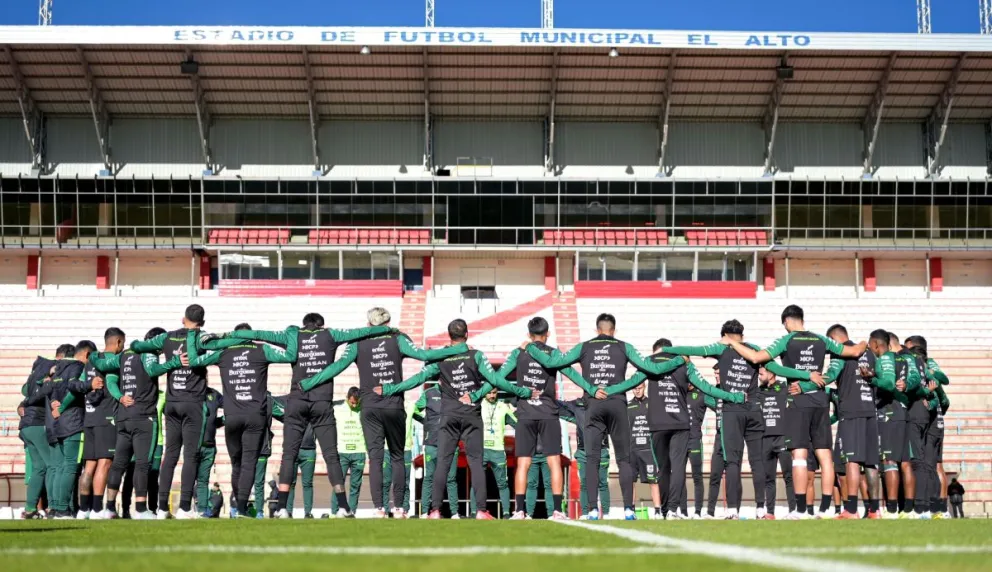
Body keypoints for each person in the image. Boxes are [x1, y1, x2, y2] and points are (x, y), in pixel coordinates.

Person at [299, 307, 465, 518]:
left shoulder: (357, 342)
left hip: (369, 408)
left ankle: (379, 508)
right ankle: (399, 509)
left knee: (375, 459)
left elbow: (337, 366)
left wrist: (311, 381)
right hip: (394, 406)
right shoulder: (398, 338)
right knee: (397, 457)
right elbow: (423, 355)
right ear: (387, 322)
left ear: (369, 323)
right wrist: (455, 350)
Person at [521, 313, 688, 520]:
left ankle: (592, 509)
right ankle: (628, 509)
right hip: (617, 404)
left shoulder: (584, 346)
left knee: (592, 458)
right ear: (614, 330)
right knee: (624, 459)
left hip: (594, 404)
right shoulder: (624, 346)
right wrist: (679, 360)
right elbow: (651, 368)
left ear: (596, 330)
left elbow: (555, 362)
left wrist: (530, 347)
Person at [225, 313, 390, 518]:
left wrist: (226, 335)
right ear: (321, 325)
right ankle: (343, 507)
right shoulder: (330, 334)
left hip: (297, 401)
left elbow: (260, 334)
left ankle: (283, 508)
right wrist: (387, 329)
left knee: (289, 454)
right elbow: (362, 331)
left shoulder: (293, 336)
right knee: (331, 455)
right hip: (322, 403)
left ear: (304, 324)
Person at [377, 319, 535, 520]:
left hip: (449, 416)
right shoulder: (475, 355)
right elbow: (495, 380)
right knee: (476, 463)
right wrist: (521, 391)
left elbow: (417, 379)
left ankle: (434, 510)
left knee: (442, 463)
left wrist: (391, 389)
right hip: (471, 416)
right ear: (467, 335)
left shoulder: (442, 358)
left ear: (449, 336)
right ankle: (480, 511)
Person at [723, 305, 864, 519]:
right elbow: (854, 351)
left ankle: (800, 510)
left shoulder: (786, 340)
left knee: (799, 455)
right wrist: (866, 342)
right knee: (825, 455)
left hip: (798, 400)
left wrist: (732, 341)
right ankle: (825, 509)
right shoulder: (820, 339)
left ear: (787, 322)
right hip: (820, 401)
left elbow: (756, 357)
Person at [667, 320, 816, 520]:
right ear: (742, 336)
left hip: (732, 411)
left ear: (724, 336)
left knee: (733, 462)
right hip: (754, 410)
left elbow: (692, 349)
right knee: (757, 461)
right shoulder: (754, 350)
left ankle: (733, 510)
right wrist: (806, 375)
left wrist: (667, 350)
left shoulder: (721, 348)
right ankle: (761, 509)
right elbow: (778, 369)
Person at [606, 338, 744, 519]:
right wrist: (731, 396)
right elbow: (705, 387)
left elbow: (631, 382)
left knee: (662, 469)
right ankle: (672, 510)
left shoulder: (649, 362)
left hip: (657, 424)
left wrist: (608, 391)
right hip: (680, 424)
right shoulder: (685, 362)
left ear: (656, 350)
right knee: (678, 467)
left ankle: (662, 510)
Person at [187, 322, 296, 518]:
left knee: (236, 464)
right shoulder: (262, 349)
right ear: (251, 336)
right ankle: (243, 508)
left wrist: (192, 335)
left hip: (232, 417)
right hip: (255, 416)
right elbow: (291, 354)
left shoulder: (223, 352)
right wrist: (291, 332)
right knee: (248, 464)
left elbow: (194, 361)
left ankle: (238, 506)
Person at [129, 304, 217, 518]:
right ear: (202, 322)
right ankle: (185, 508)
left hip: (172, 403)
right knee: (191, 456)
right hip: (193, 403)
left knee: (170, 455)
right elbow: (219, 346)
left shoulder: (166, 338)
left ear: (182, 318)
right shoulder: (201, 337)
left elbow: (136, 345)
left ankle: (161, 508)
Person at [87, 327, 182, 519]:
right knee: (142, 464)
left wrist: (120, 396)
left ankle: (110, 508)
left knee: (119, 464)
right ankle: (140, 509)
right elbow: (153, 369)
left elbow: (109, 376)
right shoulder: (148, 354)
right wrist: (175, 362)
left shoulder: (124, 356)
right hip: (144, 417)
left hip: (123, 417)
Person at [499, 317, 587, 521]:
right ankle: (557, 511)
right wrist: (590, 388)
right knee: (554, 462)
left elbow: (500, 377)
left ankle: (519, 511)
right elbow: (571, 374)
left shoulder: (519, 352)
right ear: (548, 334)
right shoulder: (554, 353)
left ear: (529, 334)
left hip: (525, 413)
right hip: (548, 412)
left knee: (523, 464)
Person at [794, 325, 881, 519]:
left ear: (834, 339)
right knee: (871, 463)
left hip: (851, 412)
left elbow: (830, 376)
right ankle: (875, 510)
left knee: (851, 460)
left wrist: (805, 386)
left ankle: (851, 509)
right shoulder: (870, 354)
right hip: (870, 411)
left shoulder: (841, 355)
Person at [31, 342, 101, 519]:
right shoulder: (77, 367)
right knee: (70, 467)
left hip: (59, 424)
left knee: (61, 467)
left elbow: (51, 388)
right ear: (86, 355)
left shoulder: (58, 368)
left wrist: (55, 401)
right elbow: (74, 387)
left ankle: (55, 508)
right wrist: (90, 385)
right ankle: (62, 509)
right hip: (73, 423)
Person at [76, 329, 125, 519]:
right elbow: (112, 385)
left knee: (89, 466)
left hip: (89, 418)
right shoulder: (112, 361)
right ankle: (97, 509)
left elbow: (80, 386)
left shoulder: (89, 362)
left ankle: (83, 509)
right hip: (106, 418)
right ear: (118, 342)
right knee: (104, 464)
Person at [18, 348, 62, 519]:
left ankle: (29, 509)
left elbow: (25, 394)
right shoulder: (47, 376)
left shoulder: (33, 378)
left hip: (26, 427)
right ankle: (53, 507)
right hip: (37, 424)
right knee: (52, 465)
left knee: (39, 467)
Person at [558, 398, 611, 518]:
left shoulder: (605, 404)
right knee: (584, 483)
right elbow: (560, 405)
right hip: (582, 451)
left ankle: (607, 514)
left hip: (601, 449)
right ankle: (586, 513)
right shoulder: (577, 405)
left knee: (602, 483)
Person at [413, 382, 459, 517]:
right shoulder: (428, 393)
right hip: (431, 443)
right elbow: (414, 410)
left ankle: (455, 513)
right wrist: (425, 422)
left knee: (451, 479)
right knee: (429, 478)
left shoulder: (455, 393)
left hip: (450, 443)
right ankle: (424, 512)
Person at [469, 389, 516, 518]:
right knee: (477, 481)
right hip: (481, 449)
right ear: (484, 393)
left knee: (503, 483)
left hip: (498, 450)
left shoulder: (503, 407)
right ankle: (474, 512)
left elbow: (517, 423)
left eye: (494, 393)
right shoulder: (478, 405)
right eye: (489, 393)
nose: (492, 395)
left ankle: (506, 513)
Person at [757, 367, 795, 519]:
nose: (759, 376)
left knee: (788, 476)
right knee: (768, 478)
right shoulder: (758, 391)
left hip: (782, 437)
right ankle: (770, 512)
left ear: (771, 373)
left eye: (762, 373)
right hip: (765, 439)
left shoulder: (784, 387)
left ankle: (793, 510)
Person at [625, 383, 662, 518]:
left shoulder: (651, 404)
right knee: (631, 481)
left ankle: (658, 511)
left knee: (653, 481)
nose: (637, 391)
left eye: (639, 388)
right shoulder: (628, 406)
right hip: (632, 449)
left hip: (648, 450)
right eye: (634, 388)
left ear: (644, 386)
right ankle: (631, 510)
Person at [329, 387, 365, 516]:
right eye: (352, 402)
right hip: (342, 451)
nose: (354, 405)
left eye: (357, 402)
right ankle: (334, 512)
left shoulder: (364, 408)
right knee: (339, 484)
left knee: (355, 485)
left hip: (359, 451)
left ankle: (351, 512)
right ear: (347, 398)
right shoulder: (337, 407)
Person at [193, 387, 223, 518]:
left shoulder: (214, 394)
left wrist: (221, 421)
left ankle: (202, 510)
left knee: (203, 480)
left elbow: (232, 406)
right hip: (193, 446)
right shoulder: (189, 392)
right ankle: (185, 509)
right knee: (189, 479)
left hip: (210, 446)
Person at [286, 417, 317, 518]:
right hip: (293, 449)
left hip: (309, 450)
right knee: (290, 483)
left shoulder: (314, 409)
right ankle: (288, 512)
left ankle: (308, 513)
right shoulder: (292, 408)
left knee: (307, 483)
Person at [525, 439, 554, 518]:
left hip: (547, 454)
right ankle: (529, 514)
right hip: (532, 454)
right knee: (531, 484)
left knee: (549, 484)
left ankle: (551, 514)